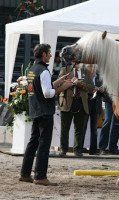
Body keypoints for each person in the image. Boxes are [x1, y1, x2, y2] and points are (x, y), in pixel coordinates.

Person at [19, 43, 73, 186]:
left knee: (33, 142)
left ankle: (25, 174)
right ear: (43, 54)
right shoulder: (43, 71)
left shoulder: (31, 70)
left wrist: (59, 81)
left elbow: (42, 87)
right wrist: (64, 87)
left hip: (35, 110)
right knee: (43, 144)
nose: (50, 55)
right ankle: (40, 176)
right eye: (49, 53)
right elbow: (47, 93)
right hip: (45, 112)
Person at [58, 62, 94, 157]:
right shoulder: (65, 70)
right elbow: (58, 84)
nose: (78, 63)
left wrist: (79, 83)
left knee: (79, 128)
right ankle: (63, 149)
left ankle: (77, 150)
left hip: (81, 103)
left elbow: (91, 88)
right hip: (66, 102)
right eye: (76, 61)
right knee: (65, 128)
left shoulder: (86, 72)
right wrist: (69, 82)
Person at [82, 66, 103, 155]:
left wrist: (101, 89)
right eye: (90, 67)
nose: (92, 69)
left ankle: (93, 150)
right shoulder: (84, 76)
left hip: (96, 105)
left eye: (94, 67)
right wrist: (91, 89)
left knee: (94, 129)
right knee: (83, 127)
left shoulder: (100, 78)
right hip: (86, 104)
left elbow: (104, 91)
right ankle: (79, 148)